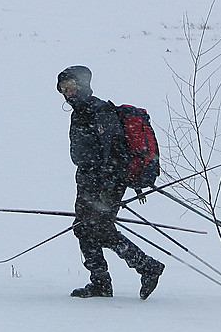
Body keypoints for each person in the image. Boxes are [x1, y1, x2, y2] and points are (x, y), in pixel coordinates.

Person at [56, 65, 165, 299]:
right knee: (83, 228)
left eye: (71, 87)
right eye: (63, 89)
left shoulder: (100, 111)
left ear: (83, 85)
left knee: (101, 229)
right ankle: (101, 283)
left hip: (107, 180)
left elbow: (115, 152)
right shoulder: (80, 112)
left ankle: (147, 267)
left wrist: (109, 188)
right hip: (86, 179)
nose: (68, 93)